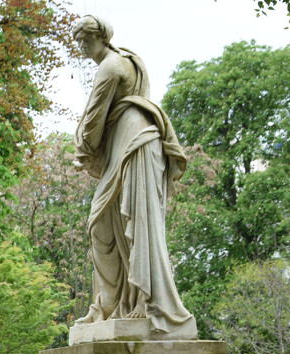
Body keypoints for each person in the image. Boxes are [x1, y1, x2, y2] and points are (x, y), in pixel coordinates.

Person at [71, 15, 194, 336]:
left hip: (136, 145)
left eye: (86, 38)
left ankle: (146, 301)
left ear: (101, 37)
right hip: (128, 145)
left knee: (137, 223)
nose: (81, 45)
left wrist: (82, 150)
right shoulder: (123, 61)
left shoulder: (111, 67)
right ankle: (111, 304)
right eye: (78, 40)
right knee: (106, 224)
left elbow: (94, 117)